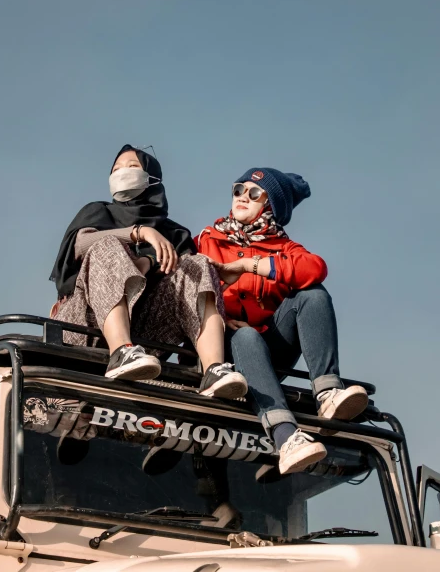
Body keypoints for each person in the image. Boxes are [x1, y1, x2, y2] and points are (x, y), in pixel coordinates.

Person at [196, 167, 369, 476]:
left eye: (253, 193)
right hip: (222, 353)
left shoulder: (284, 248)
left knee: (313, 295)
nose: (242, 197)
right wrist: (223, 316)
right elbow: (183, 280)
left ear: (271, 206)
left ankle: (327, 393)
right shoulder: (208, 239)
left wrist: (250, 264)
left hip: (270, 349)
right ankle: (286, 436)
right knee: (244, 337)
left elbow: (315, 268)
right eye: (238, 189)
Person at [50, 145, 247, 400]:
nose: (121, 173)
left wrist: (216, 308)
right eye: (116, 169)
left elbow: (190, 288)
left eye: (132, 167)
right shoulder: (99, 212)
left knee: (197, 265)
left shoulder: (175, 235)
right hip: (85, 325)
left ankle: (214, 370)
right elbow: (80, 246)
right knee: (108, 246)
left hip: (144, 331)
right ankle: (121, 351)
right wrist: (139, 233)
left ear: (152, 178)